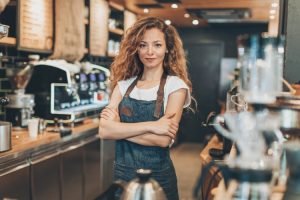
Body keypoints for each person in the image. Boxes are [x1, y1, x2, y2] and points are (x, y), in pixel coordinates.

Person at [99, 17, 193, 200]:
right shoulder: (123, 85)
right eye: (143, 45)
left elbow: (164, 140)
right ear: (136, 49)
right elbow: (104, 131)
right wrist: (152, 126)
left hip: (159, 178)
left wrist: (119, 129)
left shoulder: (176, 86)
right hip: (122, 177)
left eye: (157, 45)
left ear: (167, 49)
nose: (150, 52)